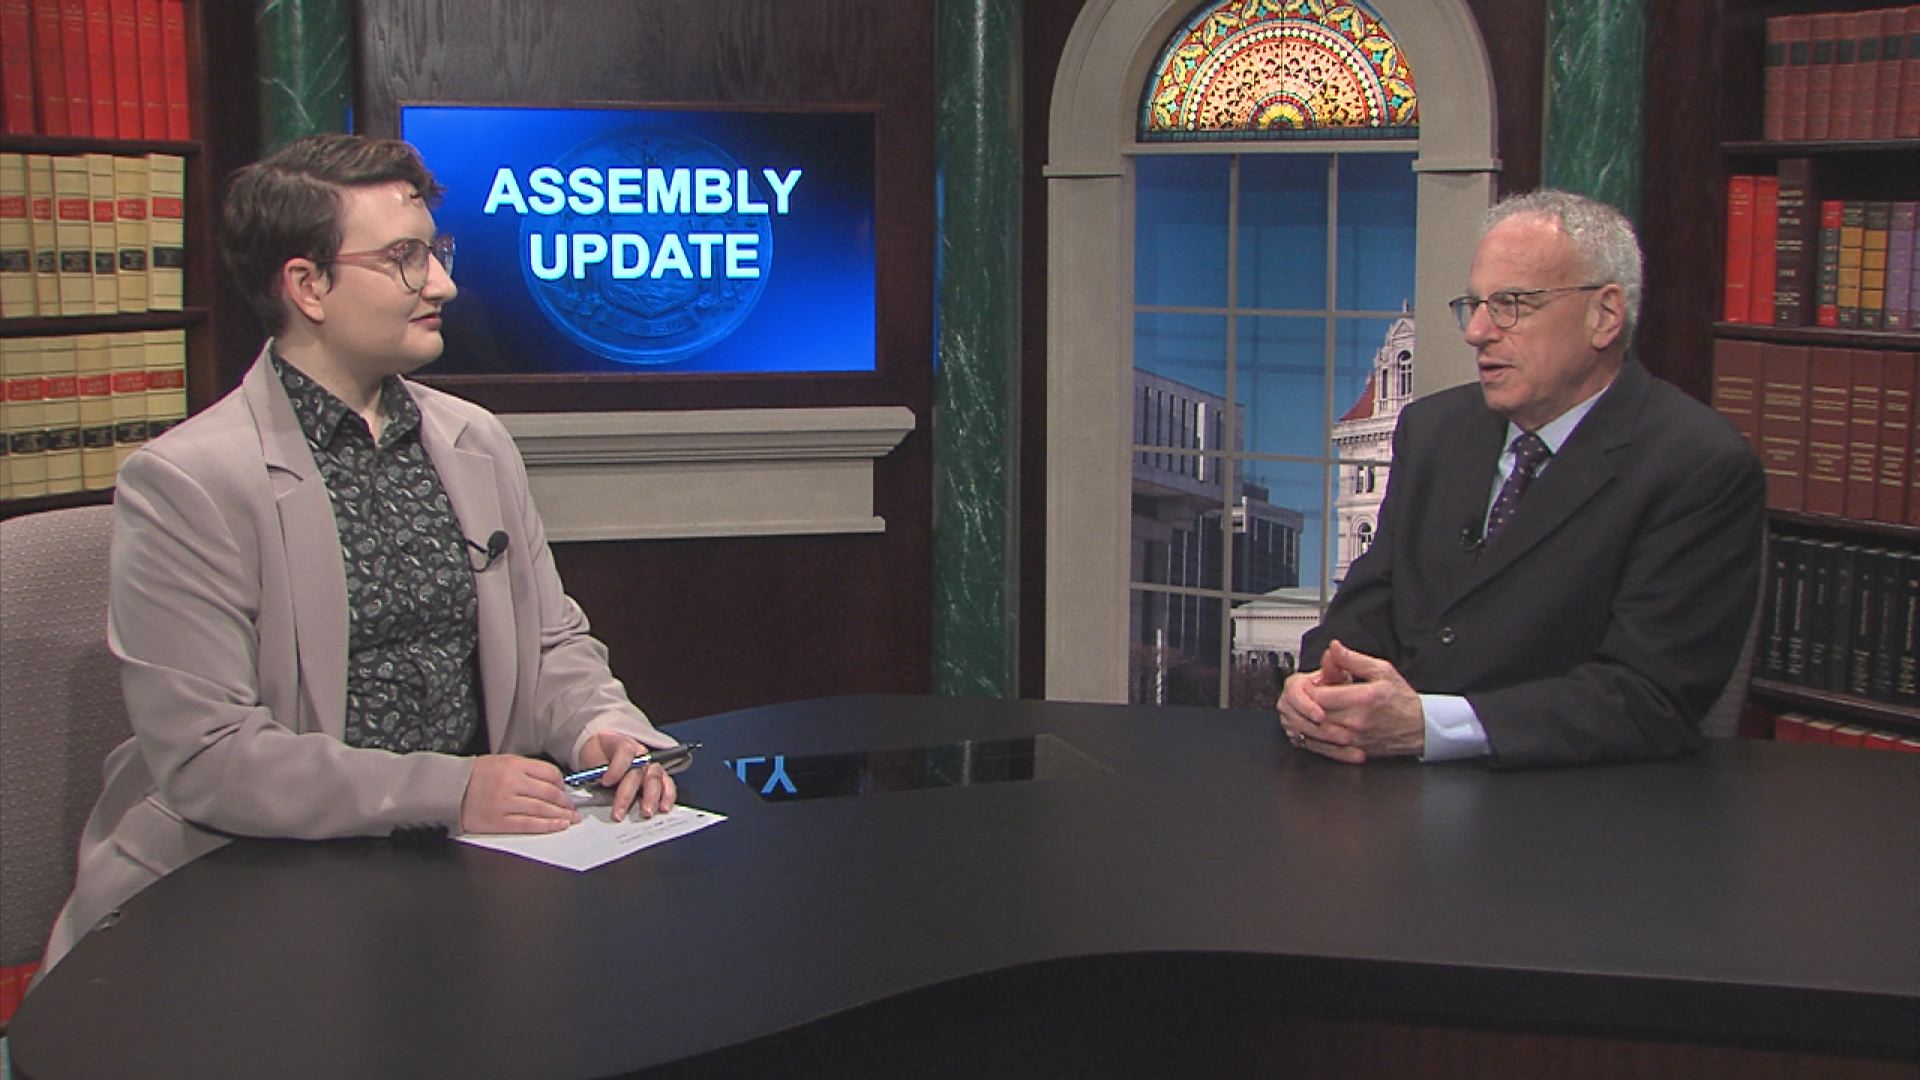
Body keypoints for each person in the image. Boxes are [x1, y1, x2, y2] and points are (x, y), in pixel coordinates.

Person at [41, 134, 680, 973]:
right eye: (404, 259)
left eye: (437, 252)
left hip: (469, 870)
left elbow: (550, 643)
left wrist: (602, 730)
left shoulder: (474, 441)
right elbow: (210, 757)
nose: (442, 284)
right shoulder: (187, 482)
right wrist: (451, 790)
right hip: (253, 880)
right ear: (307, 285)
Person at [1277, 190, 1765, 768]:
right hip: (1378, 776)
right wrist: (1321, 685)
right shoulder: (1434, 430)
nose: (1477, 332)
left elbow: (1648, 698)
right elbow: (1371, 597)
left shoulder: (1697, 465)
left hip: (1561, 796)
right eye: (1474, 304)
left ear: (1604, 315)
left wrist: (1430, 726)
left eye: (1512, 304)